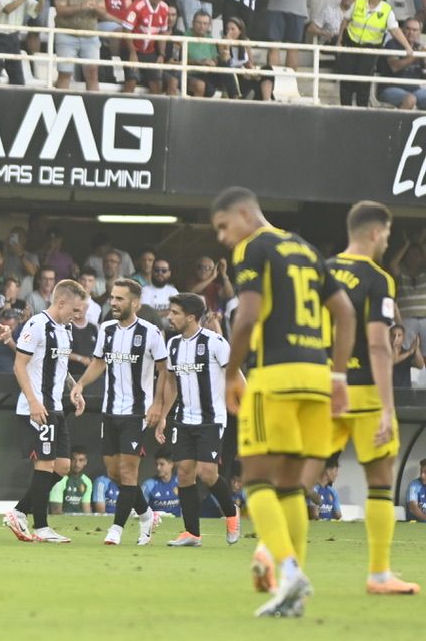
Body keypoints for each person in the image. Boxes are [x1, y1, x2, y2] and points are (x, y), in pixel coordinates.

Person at [211, 186, 355, 618]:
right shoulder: (306, 249)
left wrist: (232, 372)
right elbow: (345, 312)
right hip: (315, 377)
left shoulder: (253, 248)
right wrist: (339, 374)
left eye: (222, 226)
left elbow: (248, 316)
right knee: (291, 485)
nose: (222, 237)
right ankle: (294, 590)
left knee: (254, 481)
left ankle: (289, 574)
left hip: (274, 377)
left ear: (242, 213)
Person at [322, 202, 418, 593]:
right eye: (389, 236)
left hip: (322, 384)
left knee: (303, 476)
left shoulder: (320, 269)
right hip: (362, 390)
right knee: (380, 481)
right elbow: (379, 345)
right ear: (377, 233)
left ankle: (277, 561)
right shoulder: (377, 279)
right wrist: (386, 407)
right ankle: (379, 574)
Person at [70, 278, 167, 547]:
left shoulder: (150, 333)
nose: (113, 302)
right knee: (113, 473)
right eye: (112, 297)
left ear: (135, 303)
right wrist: (80, 384)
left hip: (137, 414)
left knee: (127, 474)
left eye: (119, 299)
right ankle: (147, 514)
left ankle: (116, 529)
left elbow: (164, 373)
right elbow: (99, 363)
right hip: (109, 412)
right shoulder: (107, 329)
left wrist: (158, 405)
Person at [4, 278, 88, 543]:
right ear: (61, 302)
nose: (78, 316)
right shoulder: (37, 325)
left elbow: (60, 367)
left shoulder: (66, 330)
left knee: (62, 467)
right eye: (75, 310)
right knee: (44, 465)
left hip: (56, 407)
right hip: (37, 407)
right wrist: (33, 402)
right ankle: (41, 527)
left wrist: (74, 388)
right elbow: (19, 365)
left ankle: (18, 511)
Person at [154, 293, 241, 547]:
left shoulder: (215, 343)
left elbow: (235, 376)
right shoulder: (173, 345)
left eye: (175, 313)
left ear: (191, 317)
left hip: (211, 419)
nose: (170, 317)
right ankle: (192, 533)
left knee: (208, 473)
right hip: (183, 419)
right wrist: (163, 417)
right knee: (184, 474)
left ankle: (231, 512)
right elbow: (171, 382)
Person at [339, 0, 414, 107]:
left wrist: (408, 47)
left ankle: (361, 111)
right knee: (346, 80)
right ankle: (344, 109)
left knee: (363, 81)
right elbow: (345, 20)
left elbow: (395, 30)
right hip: (351, 44)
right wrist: (339, 41)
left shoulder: (386, 10)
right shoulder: (358, 2)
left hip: (370, 48)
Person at [52, 0, 106, 91]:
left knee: (93, 75)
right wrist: (83, 6)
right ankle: (59, 106)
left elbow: (104, 13)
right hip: (66, 34)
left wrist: (96, 8)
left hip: (90, 35)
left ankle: (94, 108)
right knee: (65, 74)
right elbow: (60, 10)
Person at [48, 447, 92, 515]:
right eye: (74, 459)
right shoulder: (59, 479)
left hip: (80, 522)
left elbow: (87, 511)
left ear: (85, 462)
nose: (77, 464)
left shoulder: (87, 481)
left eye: (81, 460)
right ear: (68, 460)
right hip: (60, 522)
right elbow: (55, 512)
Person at [142, 453, 181, 518]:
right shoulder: (148, 485)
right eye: (157, 464)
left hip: (177, 524)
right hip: (156, 524)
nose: (158, 468)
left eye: (162, 464)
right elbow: (141, 509)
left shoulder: (180, 483)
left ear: (171, 464)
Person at [406, 459, 426, 523]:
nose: (422, 476)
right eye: (421, 472)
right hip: (416, 526)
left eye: (425, 472)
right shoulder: (414, 485)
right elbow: (413, 507)